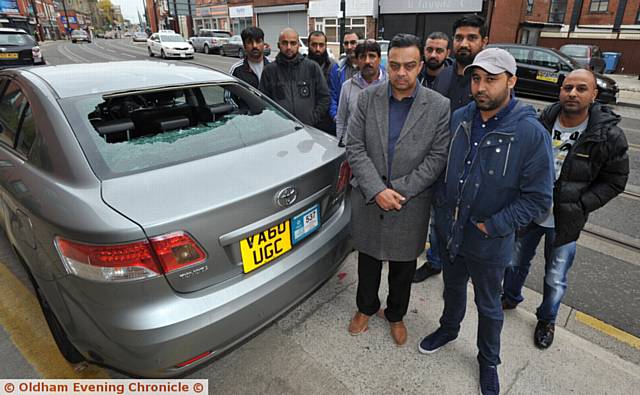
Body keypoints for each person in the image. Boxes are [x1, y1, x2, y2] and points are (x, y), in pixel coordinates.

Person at [417, 48, 554, 395]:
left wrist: (493, 226)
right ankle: (449, 329)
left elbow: (539, 200)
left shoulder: (530, 133)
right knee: (451, 289)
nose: (481, 87)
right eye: (476, 79)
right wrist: (439, 205)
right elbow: (444, 165)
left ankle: (488, 361)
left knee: (489, 306)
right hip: (451, 231)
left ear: (511, 81)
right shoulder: (460, 115)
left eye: (491, 80)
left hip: (489, 241)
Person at [502, 69, 629, 349]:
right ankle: (509, 297)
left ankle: (547, 319)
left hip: (566, 221)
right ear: (560, 91)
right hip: (530, 213)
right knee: (514, 261)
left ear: (593, 95)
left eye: (581, 88)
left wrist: (581, 204)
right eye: (567, 87)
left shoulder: (608, 135)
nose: (572, 93)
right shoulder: (541, 122)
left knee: (555, 277)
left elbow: (616, 181)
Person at [346, 34, 450, 346]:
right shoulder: (367, 98)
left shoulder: (438, 106)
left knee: (404, 267)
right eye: (394, 66)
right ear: (386, 65)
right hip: (369, 197)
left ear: (420, 66)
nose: (401, 73)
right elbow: (355, 146)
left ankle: (395, 315)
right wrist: (377, 190)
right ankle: (365, 308)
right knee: (368, 261)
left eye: (408, 66)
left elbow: (437, 157)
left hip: (411, 201)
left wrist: (398, 190)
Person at [414, 14, 488, 284]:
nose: (464, 43)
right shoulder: (442, 75)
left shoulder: (485, 80)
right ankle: (435, 261)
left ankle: (460, 267)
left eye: (471, 38)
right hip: (440, 165)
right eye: (459, 38)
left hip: (472, 169)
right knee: (438, 221)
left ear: (484, 42)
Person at [259, 28, 330, 129]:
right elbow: (263, 102)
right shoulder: (269, 71)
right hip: (280, 131)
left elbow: (324, 97)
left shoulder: (312, 67)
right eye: (285, 43)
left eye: (293, 43)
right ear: (278, 45)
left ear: (298, 45)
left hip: (308, 130)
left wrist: (313, 118)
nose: (289, 47)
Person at [335, 40, 387, 145]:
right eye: (362, 57)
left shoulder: (390, 84)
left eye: (372, 56)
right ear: (357, 61)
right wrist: (344, 144)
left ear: (379, 59)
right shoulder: (347, 87)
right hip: (354, 150)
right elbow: (341, 120)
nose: (367, 61)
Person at [328, 30, 362, 125]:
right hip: (344, 124)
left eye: (353, 43)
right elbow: (333, 96)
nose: (349, 47)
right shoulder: (337, 69)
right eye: (346, 43)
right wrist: (336, 117)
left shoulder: (370, 68)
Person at [307, 30, 337, 134]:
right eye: (314, 45)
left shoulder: (333, 66)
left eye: (321, 45)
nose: (318, 49)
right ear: (308, 45)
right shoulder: (302, 66)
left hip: (329, 121)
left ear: (326, 46)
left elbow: (336, 93)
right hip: (309, 121)